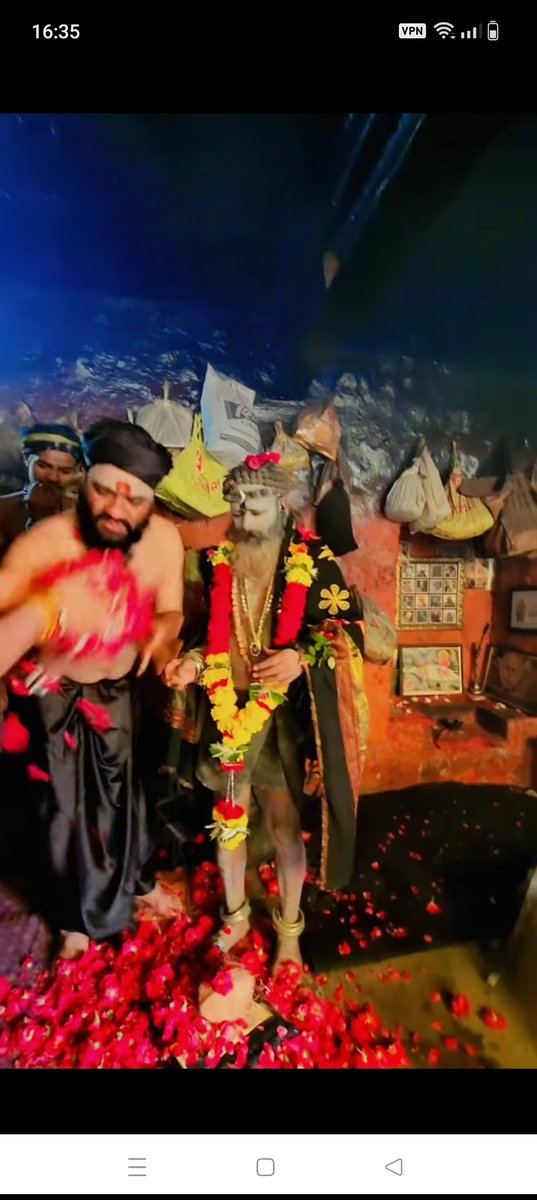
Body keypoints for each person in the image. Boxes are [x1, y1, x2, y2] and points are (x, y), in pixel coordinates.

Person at [163, 452, 369, 974]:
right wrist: (191, 663)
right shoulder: (217, 560)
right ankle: (235, 917)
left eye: (253, 502)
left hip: (278, 723)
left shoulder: (311, 558)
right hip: (226, 719)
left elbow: (347, 630)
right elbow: (206, 634)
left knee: (283, 826)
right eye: (235, 502)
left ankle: (290, 934)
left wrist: (300, 657)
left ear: (280, 503)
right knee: (227, 821)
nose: (242, 511)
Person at [0, 419, 185, 958]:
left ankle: (138, 882)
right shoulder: (42, 545)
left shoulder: (165, 541)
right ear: (85, 480)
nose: (116, 509)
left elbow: (171, 610)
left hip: (119, 691)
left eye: (134, 500)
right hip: (52, 695)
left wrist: (162, 632)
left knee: (126, 799)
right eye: (103, 490)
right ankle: (73, 921)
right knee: (64, 812)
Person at [0, 421, 83, 562]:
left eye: (65, 471)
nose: (53, 477)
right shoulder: (3, 509)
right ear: (27, 459)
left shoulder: (83, 513)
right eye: (43, 466)